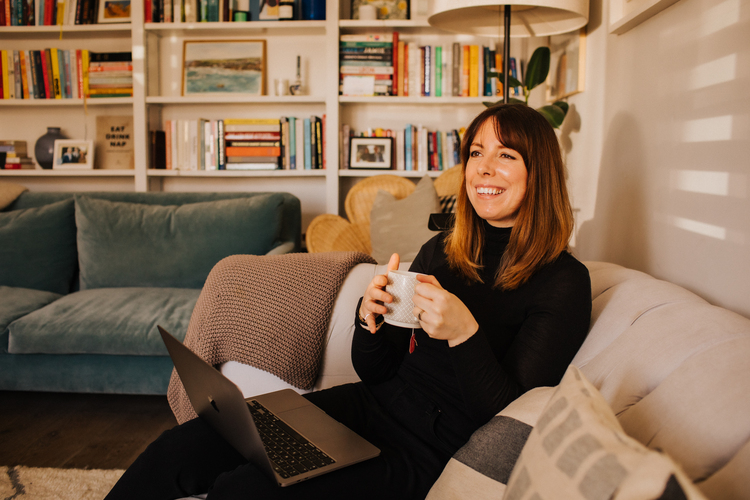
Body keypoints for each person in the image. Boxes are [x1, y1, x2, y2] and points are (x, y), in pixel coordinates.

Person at [105, 103, 591, 500]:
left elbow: (508, 418)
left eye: (506, 155)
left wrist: (465, 335)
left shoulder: (562, 282)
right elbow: (377, 370)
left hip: (427, 449)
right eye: (477, 152)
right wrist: (370, 318)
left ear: (538, 170)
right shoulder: (444, 249)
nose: (483, 168)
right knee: (186, 446)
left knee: (247, 491)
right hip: (366, 406)